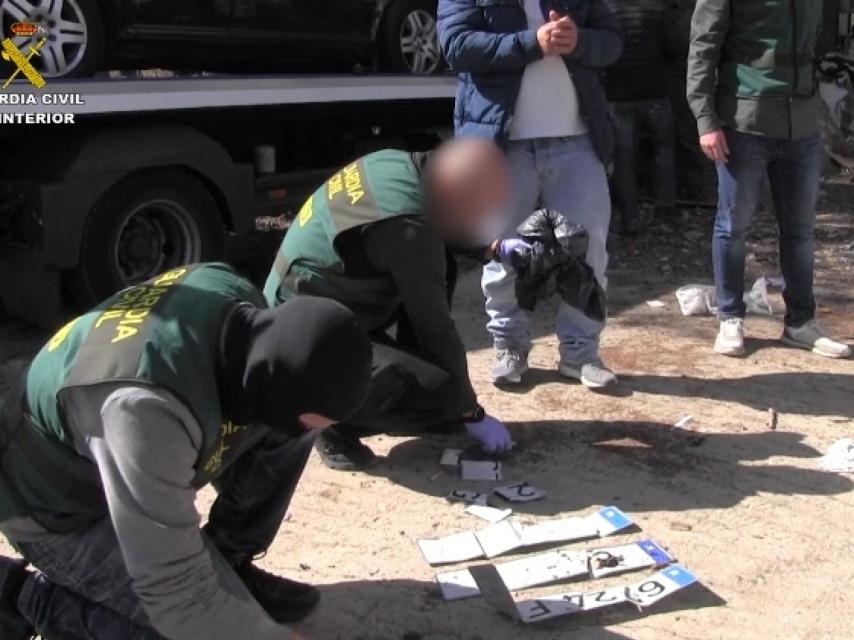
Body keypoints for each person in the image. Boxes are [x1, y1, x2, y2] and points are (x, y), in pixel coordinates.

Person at [0, 262, 373, 640]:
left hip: (121, 456)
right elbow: (179, 600)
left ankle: (229, 556)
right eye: (316, 420)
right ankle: (22, 598)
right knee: (184, 627)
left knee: (285, 434)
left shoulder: (232, 298)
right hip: (54, 508)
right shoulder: (144, 408)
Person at [263, 139, 519, 471]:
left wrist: (493, 249)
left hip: (307, 309)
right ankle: (332, 426)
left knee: (437, 264)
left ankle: (428, 397)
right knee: (443, 390)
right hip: (300, 348)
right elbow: (436, 327)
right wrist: (470, 411)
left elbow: (436, 222)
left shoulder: (398, 164)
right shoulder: (410, 229)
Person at [438, 0, 624, 389]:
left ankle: (581, 352)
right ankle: (509, 347)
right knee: (504, 252)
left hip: (577, 141)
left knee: (588, 250)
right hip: (501, 147)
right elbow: (455, 45)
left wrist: (581, 42)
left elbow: (613, 41)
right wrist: (531, 43)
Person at [687, 0, 851, 358]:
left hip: (802, 123)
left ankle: (800, 323)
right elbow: (703, 46)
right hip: (746, 119)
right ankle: (730, 316)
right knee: (733, 225)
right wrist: (706, 120)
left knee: (800, 230)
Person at [604, 0, 678, 236]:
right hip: (655, 89)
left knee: (624, 157)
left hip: (618, 92)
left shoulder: (606, 8)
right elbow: (673, 47)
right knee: (664, 150)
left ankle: (630, 218)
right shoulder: (657, 6)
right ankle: (665, 210)